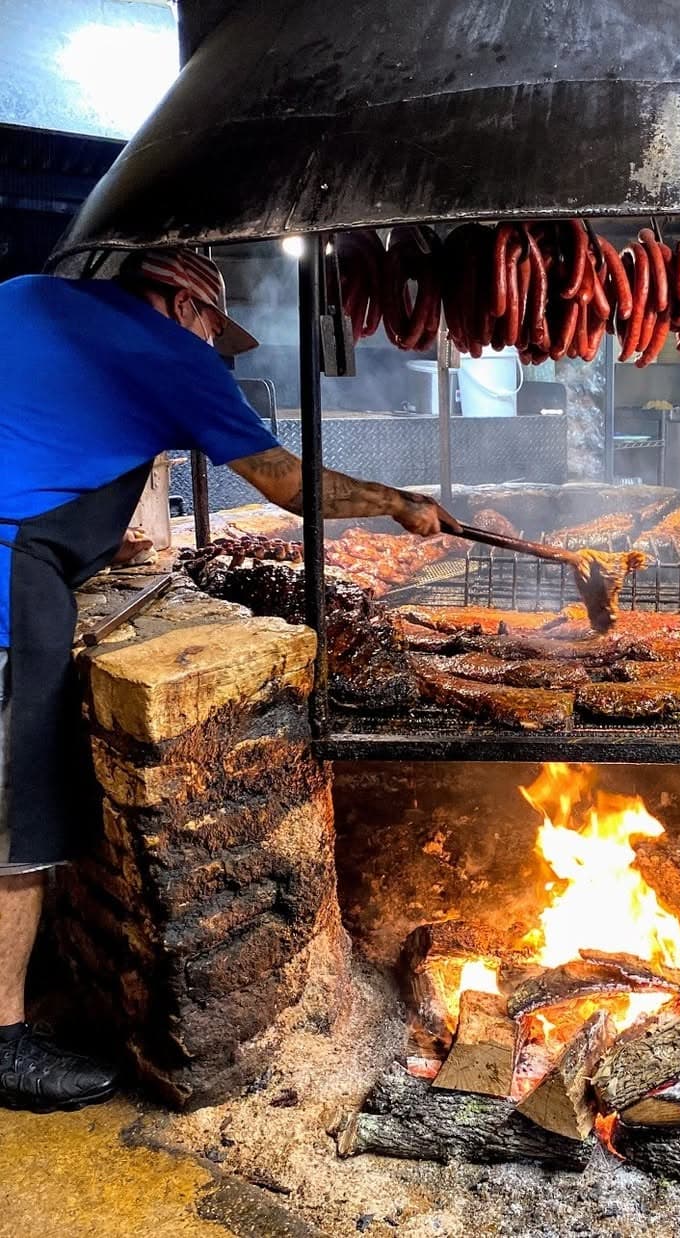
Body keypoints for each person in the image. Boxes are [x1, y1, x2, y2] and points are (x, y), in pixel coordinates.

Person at [0, 248, 457, 1112]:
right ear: (183, 302)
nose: (217, 345)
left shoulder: (27, 296)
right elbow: (289, 485)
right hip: (2, 577)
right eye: (214, 325)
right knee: (17, 827)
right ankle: (4, 1042)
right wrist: (399, 501)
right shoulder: (172, 354)